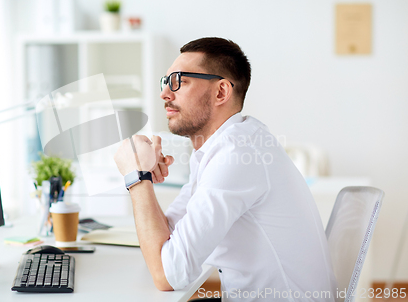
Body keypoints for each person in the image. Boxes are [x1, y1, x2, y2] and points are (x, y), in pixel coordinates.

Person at [113, 37, 337, 301]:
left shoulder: (237, 154)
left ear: (221, 92)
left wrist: (137, 177)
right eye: (165, 82)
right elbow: (168, 240)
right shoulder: (221, 148)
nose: (165, 94)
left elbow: (166, 275)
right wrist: (145, 173)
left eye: (179, 81)